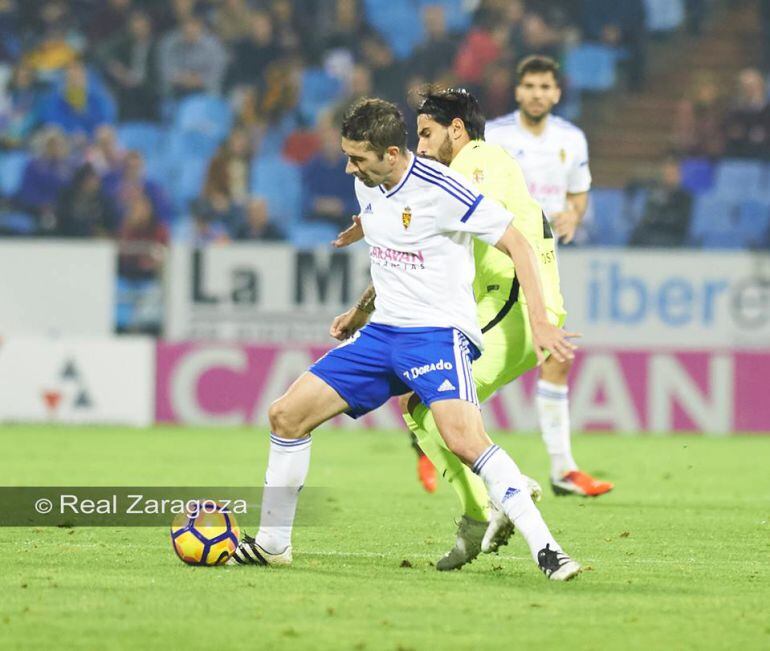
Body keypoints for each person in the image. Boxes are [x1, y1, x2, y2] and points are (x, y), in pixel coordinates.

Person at [228, 97, 582, 581]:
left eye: (358, 159)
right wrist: (359, 309)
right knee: (285, 415)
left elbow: (517, 242)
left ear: (392, 154)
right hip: (381, 336)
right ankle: (271, 545)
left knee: (463, 439)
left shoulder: (447, 189)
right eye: (348, 156)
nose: (349, 168)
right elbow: (390, 242)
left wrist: (540, 320)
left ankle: (547, 548)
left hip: (436, 335)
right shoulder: (366, 185)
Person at [331, 87, 569, 569]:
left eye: (426, 134)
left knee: (439, 409)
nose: (419, 147)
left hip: (514, 303)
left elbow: (512, 240)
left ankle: (503, 495)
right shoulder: (464, 170)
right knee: (419, 406)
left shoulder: (475, 161)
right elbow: (413, 255)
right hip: (502, 302)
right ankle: (481, 508)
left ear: (456, 130)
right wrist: (375, 220)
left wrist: (541, 321)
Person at [485, 55, 613, 497]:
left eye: (545, 87)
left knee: (558, 354)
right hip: (493, 260)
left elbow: (578, 196)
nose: (537, 94)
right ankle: (429, 425)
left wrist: (574, 217)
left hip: (541, 260)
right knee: (472, 354)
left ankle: (562, 469)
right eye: (530, 86)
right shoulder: (494, 135)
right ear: (518, 91)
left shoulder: (571, 140)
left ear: (556, 93)